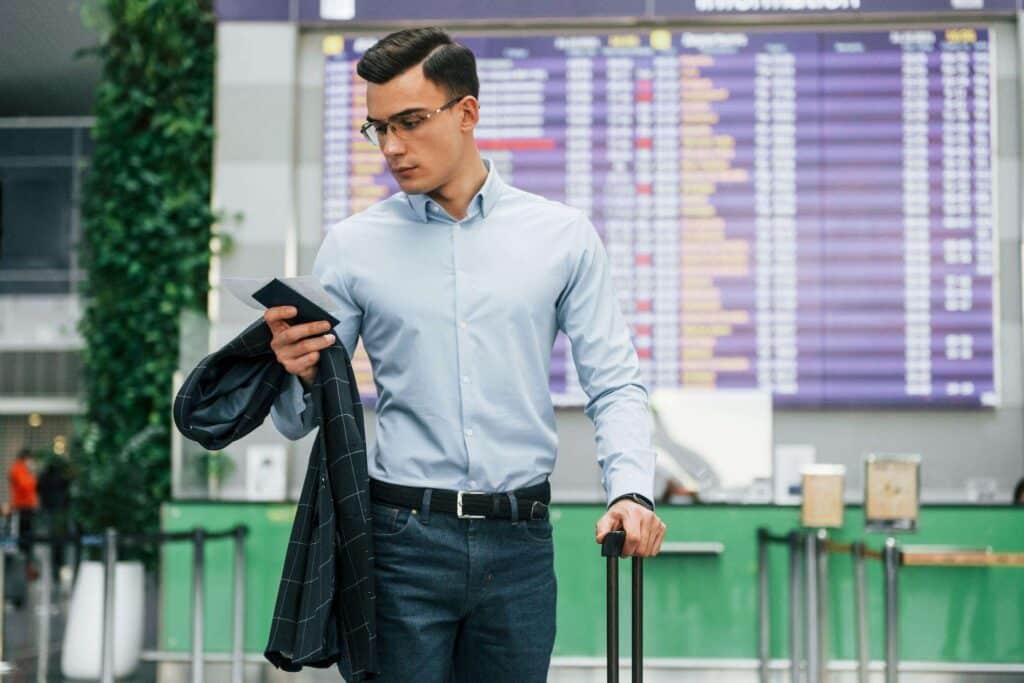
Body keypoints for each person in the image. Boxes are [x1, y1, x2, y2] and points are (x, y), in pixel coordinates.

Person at [266, 27, 665, 682]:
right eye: (378, 128)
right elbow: (297, 417)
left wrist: (631, 491)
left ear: (468, 113)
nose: (392, 147)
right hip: (400, 543)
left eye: (411, 122)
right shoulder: (352, 247)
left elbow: (615, 382)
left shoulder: (562, 238)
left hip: (520, 543)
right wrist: (294, 368)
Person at [8, 447, 39, 576]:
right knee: (23, 541)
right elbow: (24, 485)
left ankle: (28, 568)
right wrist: (31, 475)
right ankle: (24, 569)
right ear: (26, 458)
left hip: (28, 507)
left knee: (28, 539)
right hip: (22, 508)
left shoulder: (23, 469)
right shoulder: (18, 468)